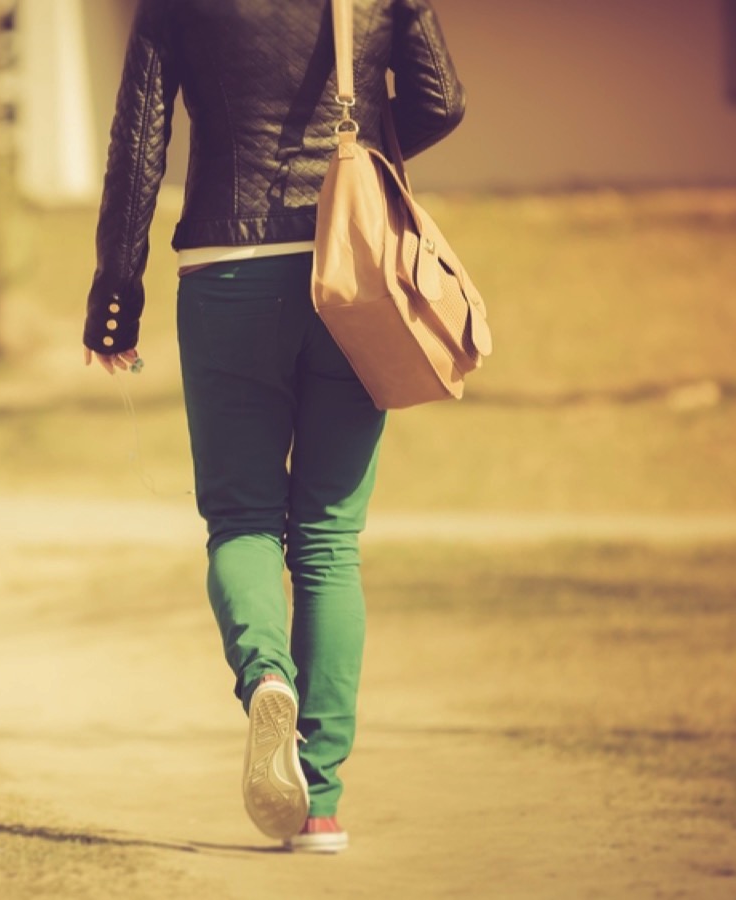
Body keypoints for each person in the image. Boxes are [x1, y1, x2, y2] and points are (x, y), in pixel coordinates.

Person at [81, 0, 466, 853]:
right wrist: (360, 158)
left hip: (227, 266)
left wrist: (118, 283)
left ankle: (264, 680)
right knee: (327, 540)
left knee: (244, 519)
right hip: (352, 267)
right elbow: (441, 100)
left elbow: (141, 135)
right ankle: (320, 802)